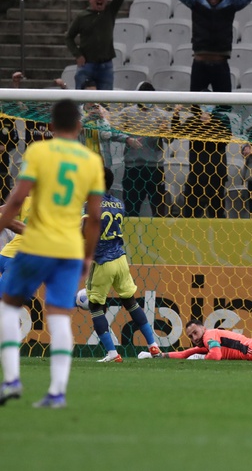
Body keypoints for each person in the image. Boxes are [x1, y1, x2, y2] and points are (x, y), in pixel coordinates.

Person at [0, 99, 104, 408]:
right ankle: (57, 391)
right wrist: (87, 258)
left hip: (36, 245)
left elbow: (17, 199)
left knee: (7, 307)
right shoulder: (91, 161)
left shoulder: (39, 152)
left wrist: (2, 222)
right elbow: (95, 217)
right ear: (80, 126)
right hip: (70, 251)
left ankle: (12, 380)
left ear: (50, 127)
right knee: (59, 317)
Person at [85, 168, 162, 363]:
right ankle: (153, 345)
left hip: (102, 261)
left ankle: (112, 353)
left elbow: (86, 231)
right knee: (130, 302)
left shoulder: (90, 205)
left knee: (95, 306)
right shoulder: (119, 203)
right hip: (121, 259)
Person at [174, 0, 252, 92]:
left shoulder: (230, 3)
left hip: (220, 66)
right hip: (200, 67)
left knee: (224, 105)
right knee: (196, 105)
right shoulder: (196, 2)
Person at [115, 81, 170, 217]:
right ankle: (129, 238)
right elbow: (114, 132)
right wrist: (128, 139)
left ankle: (159, 236)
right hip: (133, 168)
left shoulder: (161, 115)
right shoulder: (126, 113)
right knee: (131, 210)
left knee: (158, 211)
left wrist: (165, 132)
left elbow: (170, 139)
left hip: (155, 168)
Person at [172, 103, 231, 219]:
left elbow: (226, 140)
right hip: (196, 174)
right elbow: (177, 133)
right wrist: (175, 115)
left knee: (216, 214)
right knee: (190, 213)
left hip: (216, 175)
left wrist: (208, 125)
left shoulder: (222, 118)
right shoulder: (193, 120)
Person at [65, 0, 126, 90]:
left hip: (106, 67)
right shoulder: (82, 17)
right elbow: (68, 37)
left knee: (105, 102)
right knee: (83, 100)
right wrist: (77, 55)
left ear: (106, 0)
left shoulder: (110, 11)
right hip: (86, 66)